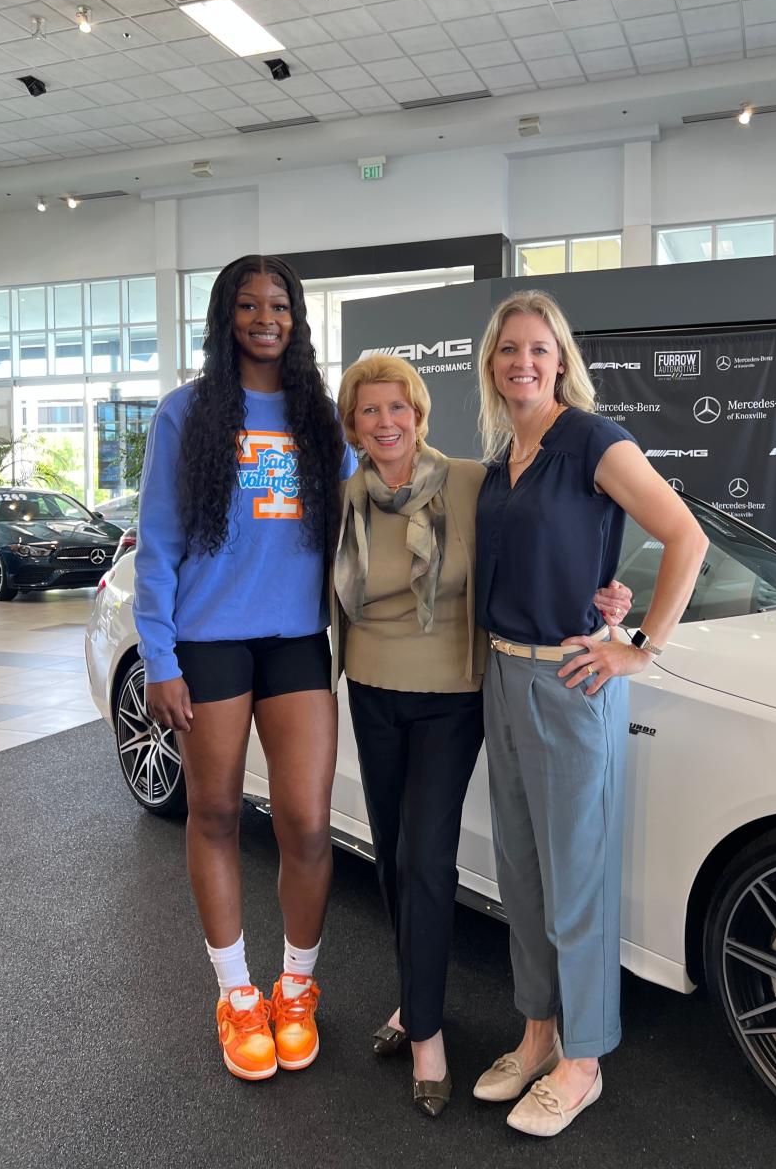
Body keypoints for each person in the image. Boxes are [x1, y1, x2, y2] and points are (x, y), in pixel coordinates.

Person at [331, 354, 631, 1117]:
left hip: (453, 695)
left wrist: (612, 602)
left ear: (421, 414)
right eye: (369, 412)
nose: (386, 423)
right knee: (393, 853)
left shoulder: (473, 481)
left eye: (399, 408)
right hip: (371, 691)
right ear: (351, 425)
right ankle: (413, 999)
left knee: (429, 854)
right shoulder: (345, 500)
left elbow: (548, 539)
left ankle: (429, 1034)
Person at [473, 290, 708, 1138]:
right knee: (523, 876)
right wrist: (601, 590)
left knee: (577, 882)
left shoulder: (592, 440)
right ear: (491, 364)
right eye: (508, 350)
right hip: (502, 677)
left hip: (571, 686)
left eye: (538, 349)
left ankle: (585, 1056)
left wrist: (640, 642)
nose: (522, 362)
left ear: (561, 359)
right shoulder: (507, 454)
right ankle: (538, 1031)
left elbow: (686, 535)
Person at [134, 254, 354, 1083]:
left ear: (297, 321)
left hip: (297, 638)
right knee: (218, 814)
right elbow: (156, 546)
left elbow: (377, 510)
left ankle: (296, 989)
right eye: (250, 305)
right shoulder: (186, 413)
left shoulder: (319, 418)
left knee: (304, 822)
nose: (267, 318)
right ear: (226, 316)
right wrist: (161, 657)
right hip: (210, 640)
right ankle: (236, 995)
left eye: (282, 306)